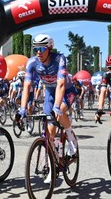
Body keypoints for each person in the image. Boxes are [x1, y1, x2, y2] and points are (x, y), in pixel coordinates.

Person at [16, 34, 78, 166]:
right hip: (50, 93)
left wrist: (56, 106)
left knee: (60, 109)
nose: (38, 52)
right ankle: (53, 161)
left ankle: (71, 138)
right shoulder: (32, 62)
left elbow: (61, 85)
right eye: (36, 49)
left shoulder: (59, 59)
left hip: (66, 91)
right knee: (49, 132)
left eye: (42, 49)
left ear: (50, 48)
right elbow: (27, 86)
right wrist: (22, 109)